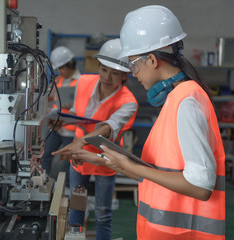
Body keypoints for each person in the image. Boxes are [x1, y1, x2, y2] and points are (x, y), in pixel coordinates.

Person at [71, 5, 225, 240]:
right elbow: (162, 173)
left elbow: (200, 186)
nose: (132, 73)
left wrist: (131, 167)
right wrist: (109, 161)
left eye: (133, 64)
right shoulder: (177, 99)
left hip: (178, 234)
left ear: (152, 60)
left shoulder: (186, 102)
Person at [52, 38, 138, 240]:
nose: (108, 77)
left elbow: (109, 127)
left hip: (104, 160)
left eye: (115, 73)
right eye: (104, 69)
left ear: (125, 75)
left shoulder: (128, 102)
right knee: (76, 207)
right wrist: (62, 121)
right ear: (98, 66)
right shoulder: (84, 82)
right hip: (79, 157)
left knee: (102, 213)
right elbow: (77, 112)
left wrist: (80, 141)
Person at [41, 46, 81, 186]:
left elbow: (83, 107)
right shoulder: (58, 80)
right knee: (44, 156)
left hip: (70, 131)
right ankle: (42, 183)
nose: (59, 72)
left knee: (69, 162)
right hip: (54, 127)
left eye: (61, 68)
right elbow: (52, 98)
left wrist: (74, 106)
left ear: (70, 64)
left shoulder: (81, 82)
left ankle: (67, 191)